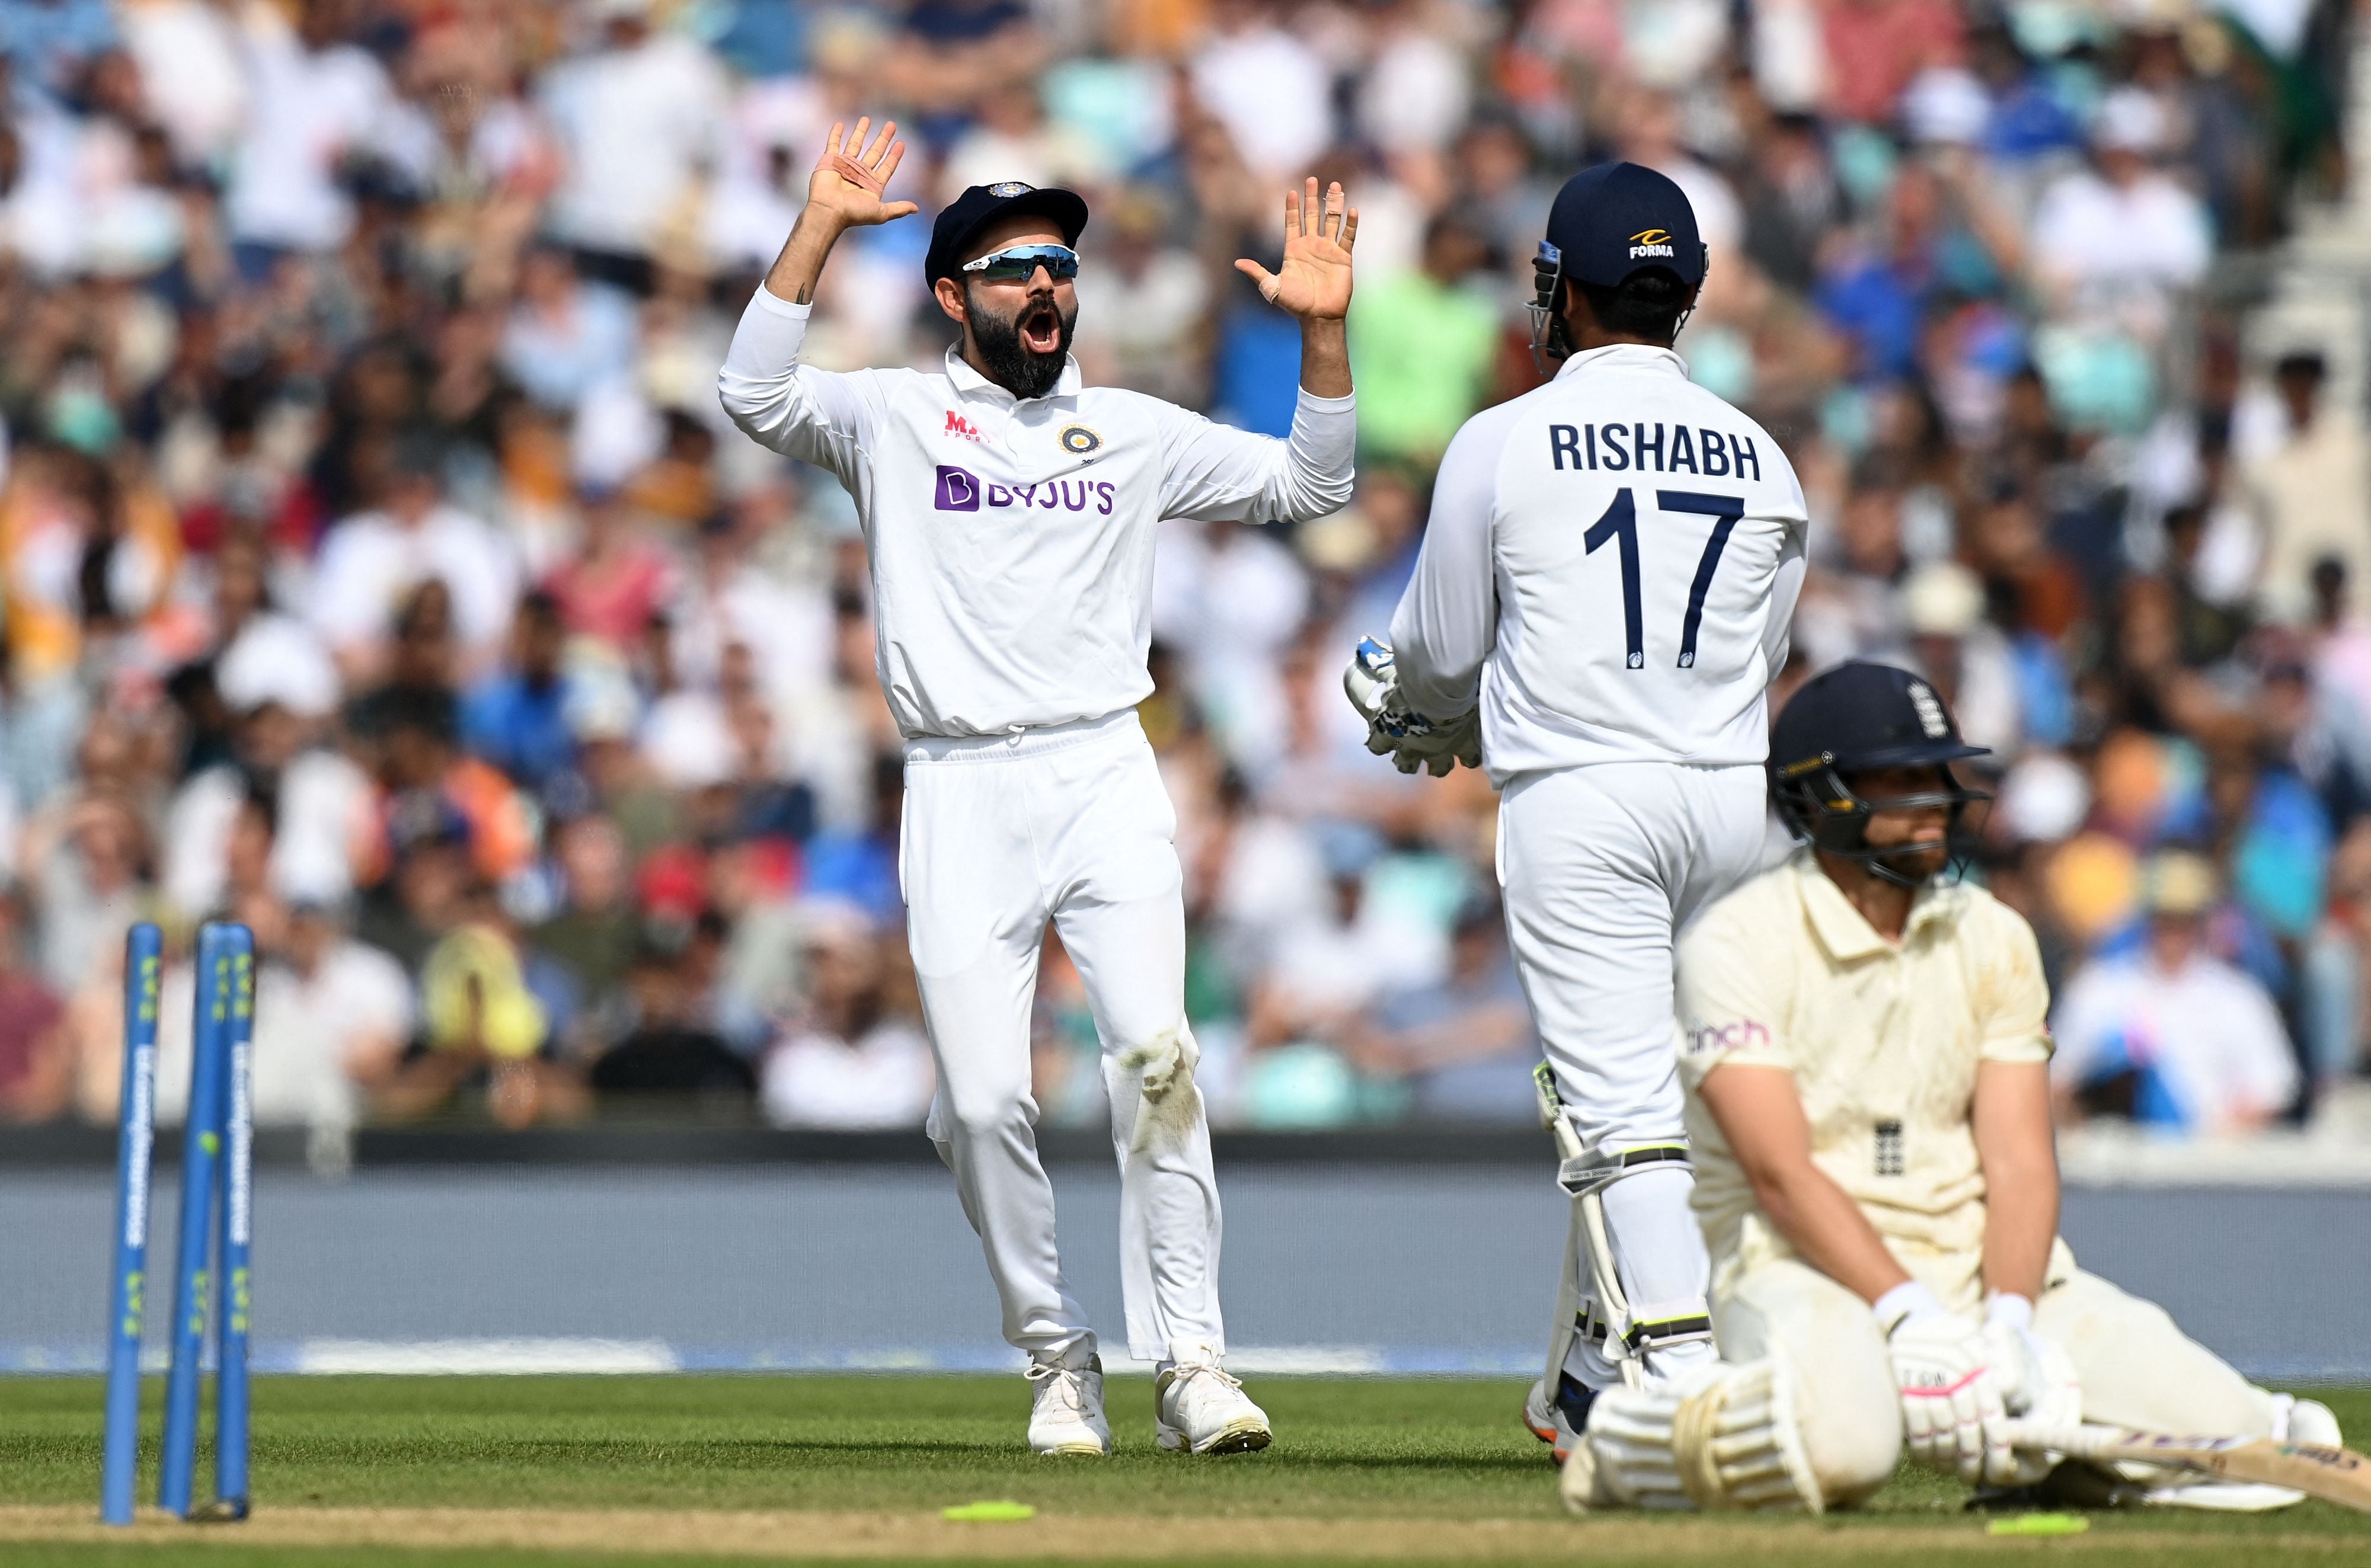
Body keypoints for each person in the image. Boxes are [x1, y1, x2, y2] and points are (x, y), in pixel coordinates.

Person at [718, 118, 1359, 1457]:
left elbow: (1314, 481)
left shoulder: (1128, 430)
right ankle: (1056, 1357)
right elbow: (752, 392)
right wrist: (821, 225)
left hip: (1102, 768)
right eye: (1012, 268)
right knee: (981, 1106)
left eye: (1059, 263)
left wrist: (1321, 334)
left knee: (1158, 1059)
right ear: (955, 298)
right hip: (959, 783)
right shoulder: (894, 416)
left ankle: (1193, 1364)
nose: (1045, 285)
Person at [1554, 661, 2341, 1515]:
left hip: (1976, 1272)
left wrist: (2007, 1326)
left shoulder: (1994, 937)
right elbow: (1779, 1174)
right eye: (1900, 780)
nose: (1932, 801)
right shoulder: (1736, 943)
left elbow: (2020, 1162)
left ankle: (2045, 1458)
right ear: (1818, 795)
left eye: (1937, 775)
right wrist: (1908, 1316)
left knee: (2239, 1441)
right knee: (1845, 1450)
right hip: (1796, 1270)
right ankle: (1636, 1439)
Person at [1346, 162, 1807, 1452]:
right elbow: (1762, 654)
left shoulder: (1503, 439)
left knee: (1616, 1108)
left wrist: (1419, 715)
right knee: (1696, 1090)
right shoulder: (1765, 456)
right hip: (1731, 802)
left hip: (1582, 798)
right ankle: (1588, 1375)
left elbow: (1439, 655)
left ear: (1559, 289)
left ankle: (1686, 1385)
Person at [2050, 851, 2300, 1135]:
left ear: (2201, 922)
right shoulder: (2098, 986)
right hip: (2113, 1150)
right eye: (2164, 918)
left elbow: (2272, 1087)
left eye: (2184, 919)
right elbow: (2059, 1080)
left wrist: (2216, 1135)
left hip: (2206, 1151)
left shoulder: (2238, 996)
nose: (2173, 932)